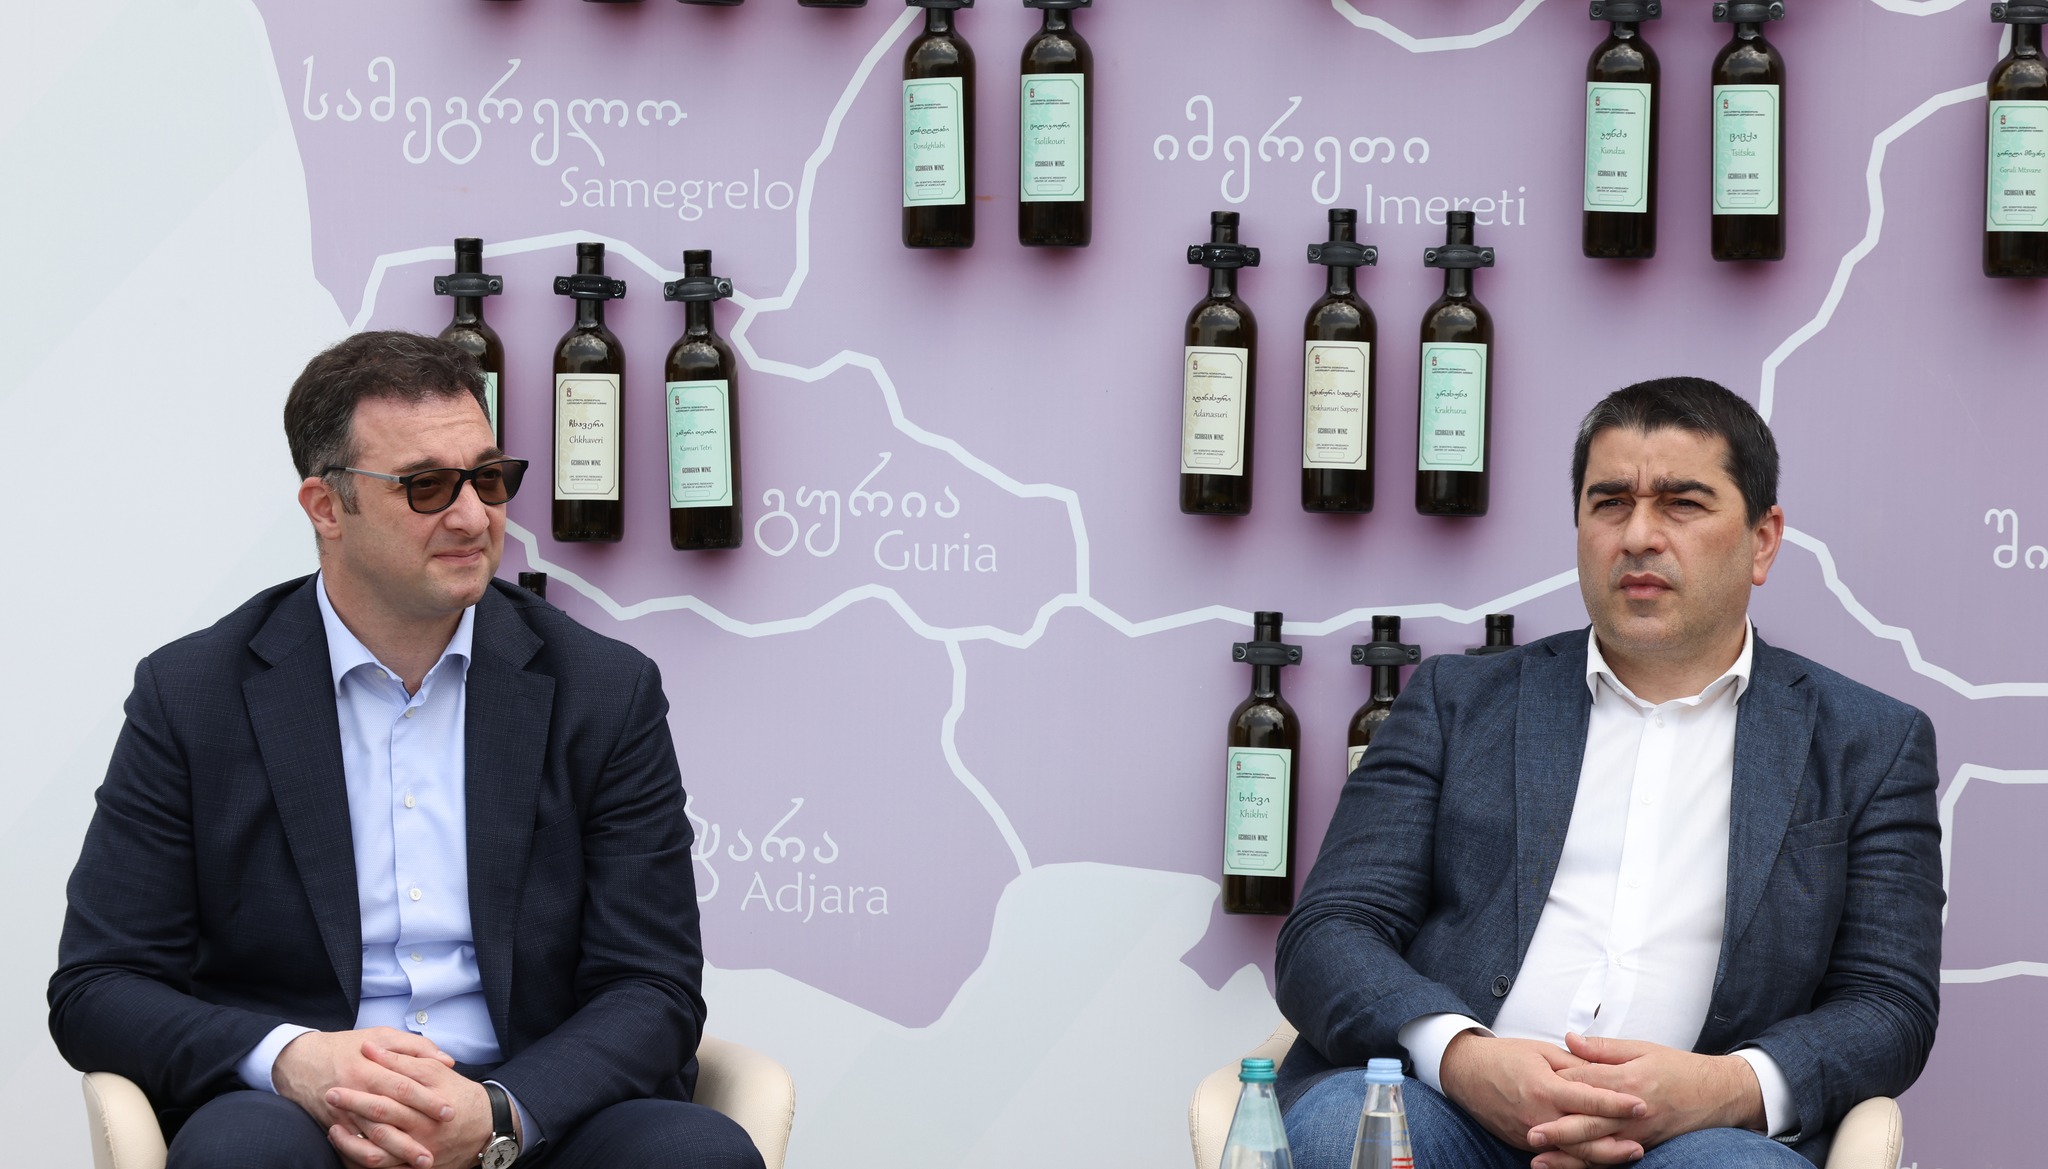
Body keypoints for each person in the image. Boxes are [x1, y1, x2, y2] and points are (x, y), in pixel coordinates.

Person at [49, 332, 762, 1169]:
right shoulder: (193, 695)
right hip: (300, 1117)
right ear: (326, 506)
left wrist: (498, 1111)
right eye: (427, 486)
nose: (473, 517)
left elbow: (653, 984)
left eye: (488, 478)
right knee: (240, 1152)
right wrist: (292, 1058)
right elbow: (98, 985)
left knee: (693, 1153)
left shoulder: (604, 691)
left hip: (535, 1114)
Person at [1275, 377, 1942, 1169]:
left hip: (1697, 1139)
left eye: (1682, 503)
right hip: (1453, 1112)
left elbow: (1887, 1003)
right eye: (1611, 503)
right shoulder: (1458, 702)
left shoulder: (1869, 742)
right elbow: (1330, 930)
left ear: (1762, 540)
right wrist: (1462, 1056)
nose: (1639, 535)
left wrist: (1724, 1087)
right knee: (1348, 1127)